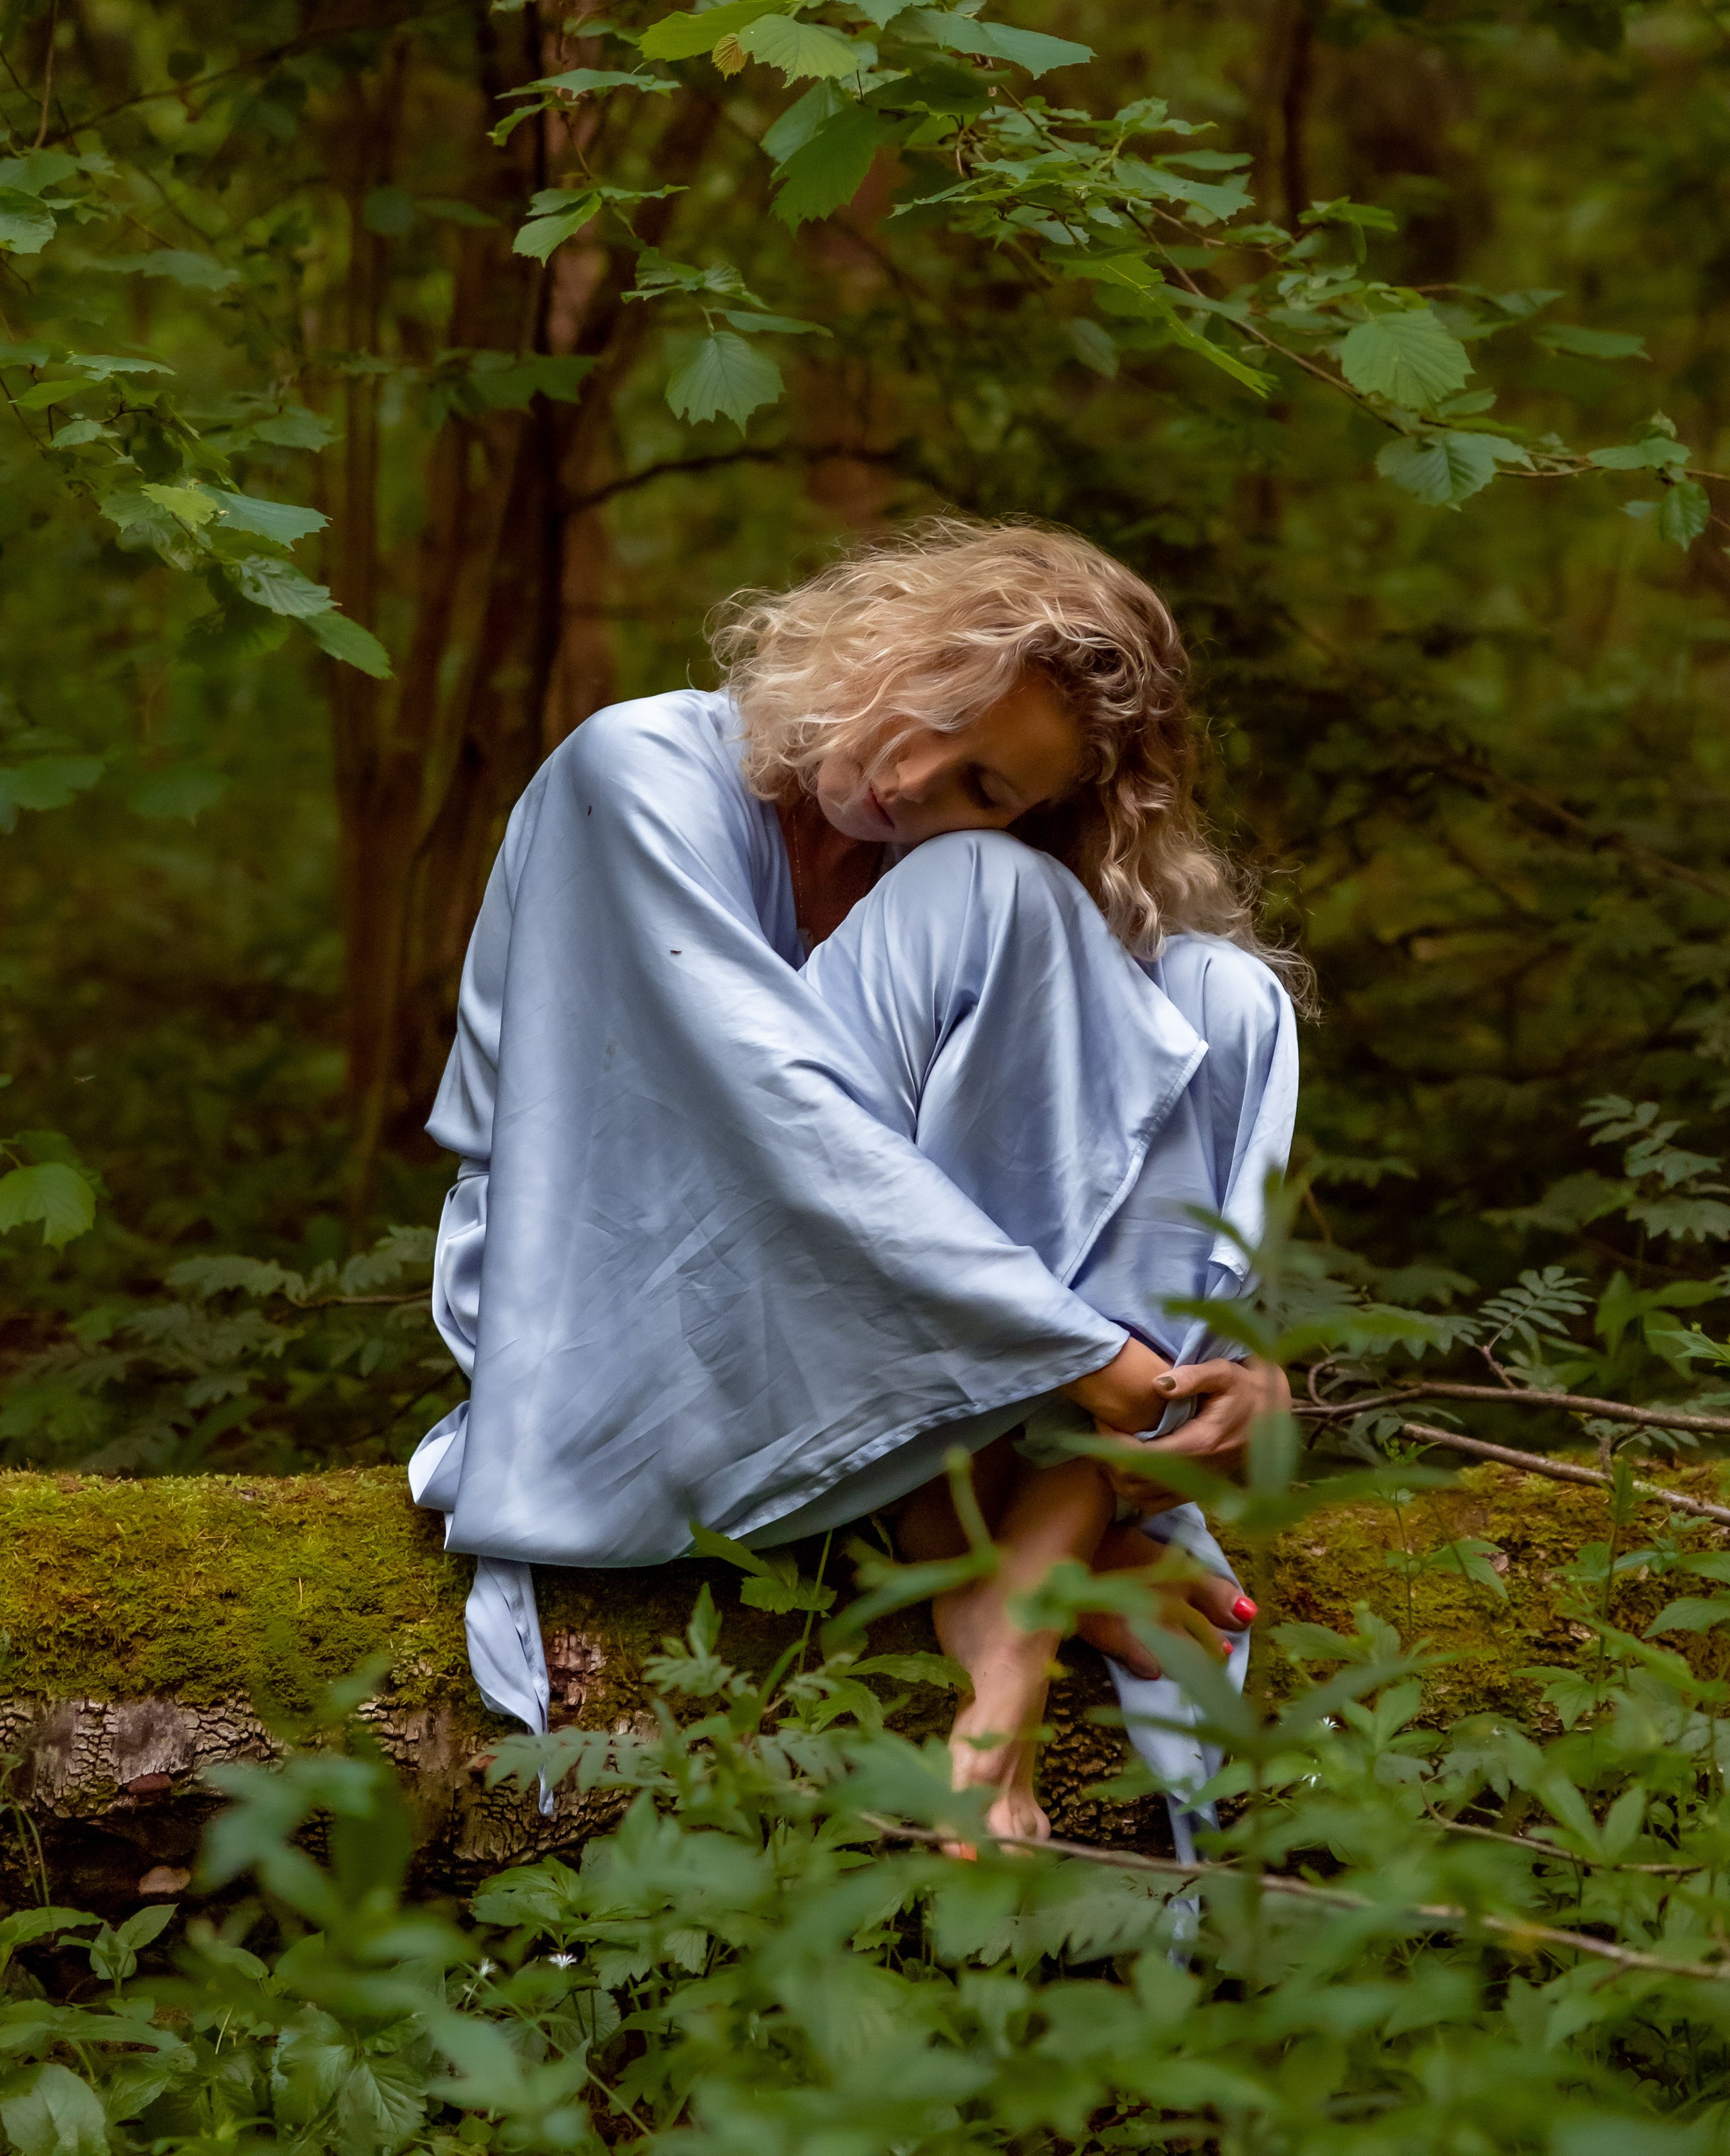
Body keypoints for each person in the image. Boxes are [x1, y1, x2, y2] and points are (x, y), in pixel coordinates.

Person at [410, 518, 1302, 1845]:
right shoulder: (635, 768)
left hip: (883, 1365)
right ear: (885, 639)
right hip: (623, 1334)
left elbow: (1116, 1110)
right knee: (988, 896)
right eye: (935, 711)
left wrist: (1233, 1360)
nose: (913, 778)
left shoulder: (918, 869)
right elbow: (770, 1127)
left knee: (1222, 996)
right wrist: (1094, 1357)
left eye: (986, 786)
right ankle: (979, 1547)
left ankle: (1027, 1586)